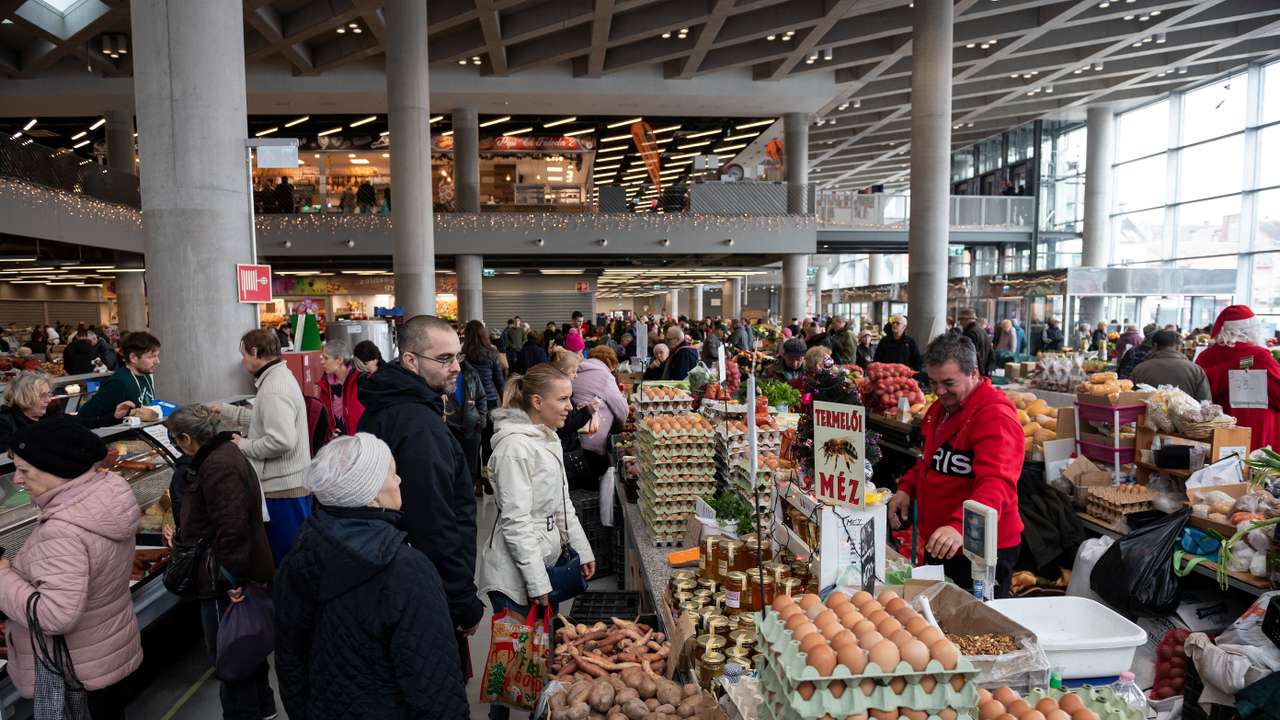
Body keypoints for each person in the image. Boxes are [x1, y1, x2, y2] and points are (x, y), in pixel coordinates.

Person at [274, 434, 468, 719]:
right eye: (392, 474)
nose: (399, 481)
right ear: (372, 494)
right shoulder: (406, 571)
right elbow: (434, 688)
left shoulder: (298, 558)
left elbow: (290, 665)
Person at [356, 315, 484, 673]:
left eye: (457, 357)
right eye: (444, 359)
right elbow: (434, 521)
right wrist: (461, 600)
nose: (456, 368)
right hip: (423, 589)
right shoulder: (418, 426)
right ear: (410, 360)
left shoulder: (389, 404)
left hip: (392, 577)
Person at [0, 418, 143, 717]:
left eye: (24, 470)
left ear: (58, 471)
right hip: (103, 654)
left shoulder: (64, 530)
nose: (17, 479)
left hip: (76, 674)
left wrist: (2, 575)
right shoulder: (104, 494)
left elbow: (54, 615)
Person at [479, 364, 596, 720]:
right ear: (535, 401)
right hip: (516, 571)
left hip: (544, 560)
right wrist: (537, 582)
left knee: (537, 656)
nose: (569, 407)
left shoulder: (546, 438)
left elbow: (562, 506)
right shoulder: (515, 448)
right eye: (562, 399)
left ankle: (537, 713)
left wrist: (583, 549)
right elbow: (516, 523)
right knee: (514, 658)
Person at [888, 333, 1024, 598]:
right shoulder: (940, 409)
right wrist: (906, 488)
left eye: (949, 383)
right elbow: (928, 462)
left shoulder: (994, 416)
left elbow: (997, 483)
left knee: (974, 631)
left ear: (973, 373)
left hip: (979, 549)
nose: (939, 391)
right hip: (943, 541)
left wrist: (960, 527)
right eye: (933, 383)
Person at [163, 405, 276, 720]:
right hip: (235, 569)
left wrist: (231, 579)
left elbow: (232, 528)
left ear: (187, 438)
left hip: (222, 576)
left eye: (175, 440)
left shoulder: (217, 466)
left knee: (231, 655)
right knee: (248, 648)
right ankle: (263, 708)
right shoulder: (224, 454)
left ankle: (245, 713)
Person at [210, 329, 311, 564]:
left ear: (255, 352)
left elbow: (282, 440)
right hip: (289, 484)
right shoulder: (276, 379)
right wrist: (226, 411)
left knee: (288, 558)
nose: (242, 360)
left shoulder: (274, 388)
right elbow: (262, 419)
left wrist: (243, 445)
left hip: (283, 488)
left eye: (243, 354)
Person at [1195, 305, 1280, 451]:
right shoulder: (1259, 356)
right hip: (1255, 427)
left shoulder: (1205, 356)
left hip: (1217, 427)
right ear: (1252, 330)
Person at [0, 372, 134, 452]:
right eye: (42, 396)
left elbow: (84, 423)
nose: (48, 400)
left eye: (49, 394)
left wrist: (115, 417)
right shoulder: (4, 422)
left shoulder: (51, 415)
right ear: (25, 397)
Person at [77, 331, 161, 422]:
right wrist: (120, 416)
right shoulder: (119, 383)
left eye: (157, 356)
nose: (157, 361)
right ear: (133, 358)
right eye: (151, 357)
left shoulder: (145, 375)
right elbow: (84, 415)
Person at [575, 346, 628, 478]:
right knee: (599, 476)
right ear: (610, 362)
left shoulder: (577, 370)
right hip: (593, 437)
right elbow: (621, 408)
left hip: (574, 435)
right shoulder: (604, 376)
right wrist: (623, 422)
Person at [446, 350, 489, 497]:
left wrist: (481, 421)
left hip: (471, 427)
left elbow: (481, 397)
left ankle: (468, 495)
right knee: (451, 466)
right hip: (449, 428)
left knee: (470, 466)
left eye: (458, 356)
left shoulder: (471, 373)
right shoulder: (441, 374)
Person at [1131, 330, 1211, 401]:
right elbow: (1205, 403)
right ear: (1179, 347)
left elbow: (1129, 401)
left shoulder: (1139, 369)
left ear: (1155, 346)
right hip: (1186, 418)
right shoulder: (1196, 370)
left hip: (1146, 417)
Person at [320, 339, 365, 435]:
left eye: (326, 358)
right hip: (336, 444)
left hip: (360, 442)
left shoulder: (361, 381)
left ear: (339, 359)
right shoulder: (325, 385)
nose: (322, 362)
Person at [958, 308, 994, 377]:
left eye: (961, 320)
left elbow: (972, 354)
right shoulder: (982, 331)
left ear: (966, 320)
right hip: (984, 368)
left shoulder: (970, 333)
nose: (960, 323)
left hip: (976, 371)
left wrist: (979, 371)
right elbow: (991, 352)